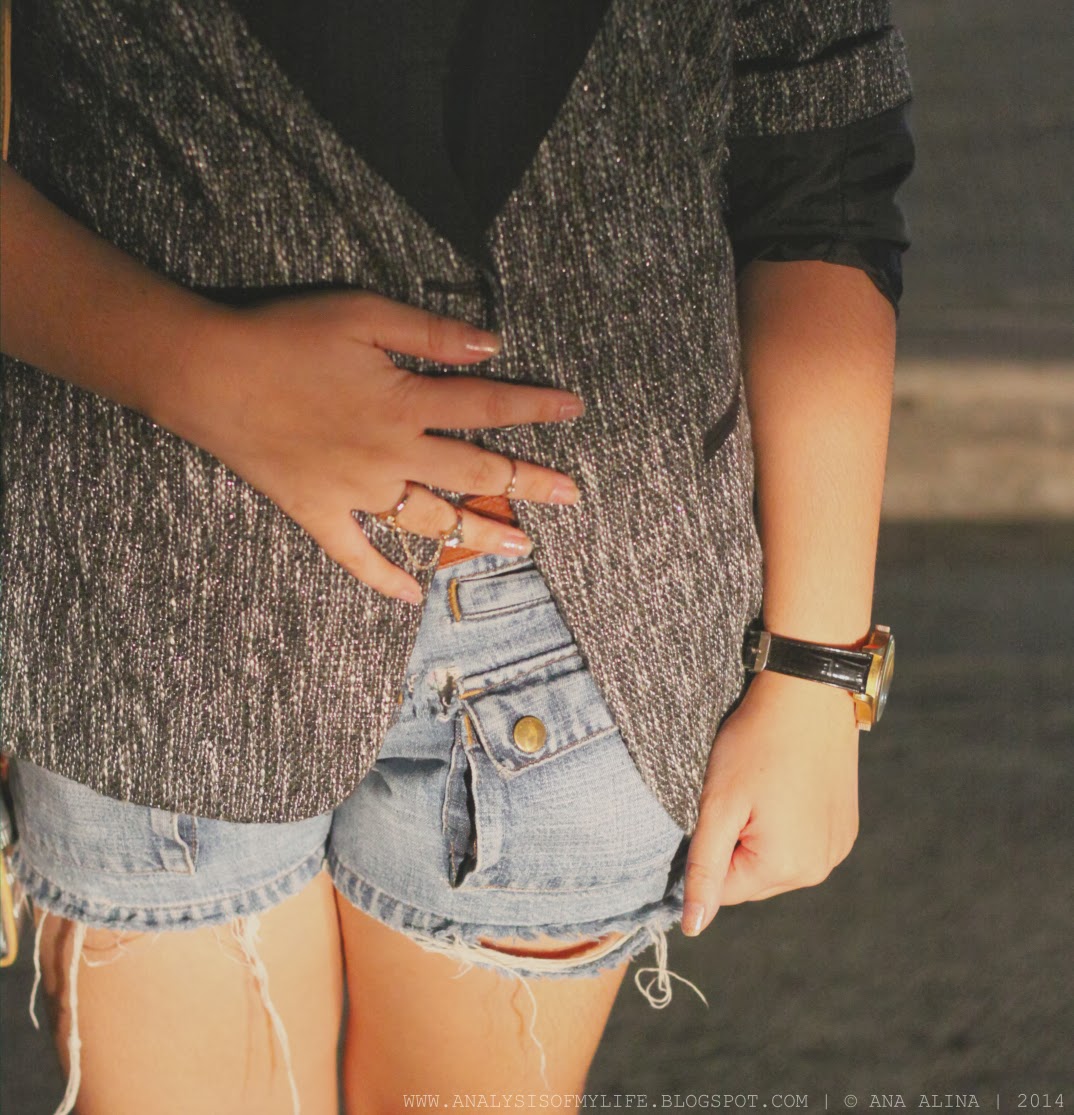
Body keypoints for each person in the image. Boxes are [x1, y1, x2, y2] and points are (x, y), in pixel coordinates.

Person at [0, 1, 914, 1110]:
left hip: (569, 622)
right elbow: (822, 152)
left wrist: (819, 669)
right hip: (143, 583)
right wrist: (205, 373)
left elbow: (819, 152)